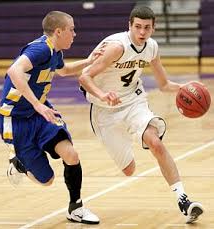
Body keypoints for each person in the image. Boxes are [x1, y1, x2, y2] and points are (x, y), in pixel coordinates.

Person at [79, 6, 203, 224]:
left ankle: (183, 200)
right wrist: (102, 94)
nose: (142, 32)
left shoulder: (152, 47)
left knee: (155, 143)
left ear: (153, 28)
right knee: (129, 170)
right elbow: (84, 77)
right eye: (137, 27)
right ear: (129, 26)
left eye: (147, 28)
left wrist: (185, 87)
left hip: (134, 101)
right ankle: (128, 137)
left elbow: (163, 85)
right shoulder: (117, 47)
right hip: (104, 111)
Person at [0, 11, 102, 224]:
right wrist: (36, 104)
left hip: (41, 113)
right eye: (71, 29)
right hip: (15, 119)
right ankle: (18, 162)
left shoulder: (55, 52)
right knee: (47, 181)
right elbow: (14, 71)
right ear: (58, 31)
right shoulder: (40, 49)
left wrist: (90, 60)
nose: (75, 34)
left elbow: (64, 71)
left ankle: (76, 208)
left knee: (71, 155)